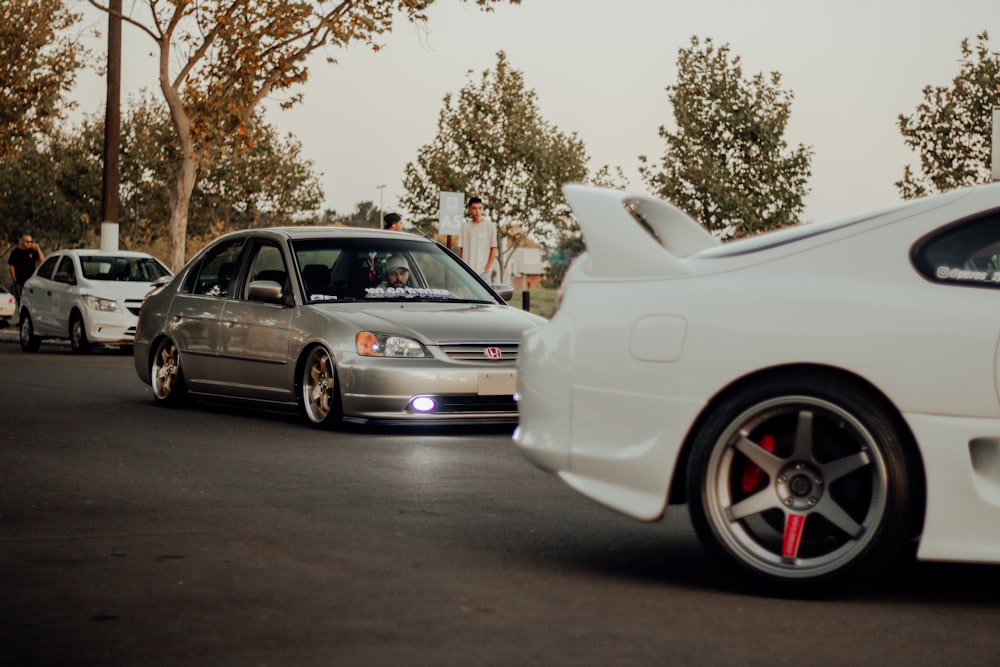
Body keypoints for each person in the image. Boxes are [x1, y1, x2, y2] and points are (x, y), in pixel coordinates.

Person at [458, 196, 497, 281]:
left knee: (485, 294)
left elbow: (493, 249)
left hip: (483, 273)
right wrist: (461, 268)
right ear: (469, 210)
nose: (477, 211)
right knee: (466, 295)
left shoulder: (490, 226)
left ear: (482, 209)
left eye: (480, 208)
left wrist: (486, 270)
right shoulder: (465, 227)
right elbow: (461, 250)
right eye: (474, 208)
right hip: (467, 272)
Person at [8, 234, 44, 309]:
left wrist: (37, 248)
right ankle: (21, 314)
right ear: (22, 241)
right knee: (20, 299)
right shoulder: (15, 252)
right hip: (19, 281)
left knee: (30, 299)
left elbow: (42, 260)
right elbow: (11, 266)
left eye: (30, 242)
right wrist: (15, 279)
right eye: (27, 241)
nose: (29, 243)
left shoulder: (32, 252)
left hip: (30, 281)